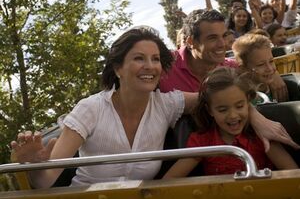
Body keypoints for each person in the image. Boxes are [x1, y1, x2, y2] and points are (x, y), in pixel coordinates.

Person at [11, 26, 199, 188]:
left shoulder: (167, 105)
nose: (150, 66)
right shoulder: (90, 109)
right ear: (118, 69)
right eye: (139, 58)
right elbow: (45, 181)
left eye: (155, 59)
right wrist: (33, 164)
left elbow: (213, 98)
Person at [160, 9, 297, 151]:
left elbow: (255, 67)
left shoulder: (230, 67)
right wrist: (254, 116)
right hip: (183, 148)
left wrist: (274, 76)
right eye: (212, 38)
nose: (222, 44)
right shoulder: (162, 67)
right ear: (190, 42)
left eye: (224, 36)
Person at [163, 67, 298, 178]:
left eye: (239, 106)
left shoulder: (261, 135)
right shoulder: (202, 142)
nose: (233, 115)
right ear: (210, 110)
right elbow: (169, 180)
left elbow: (292, 172)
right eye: (222, 110)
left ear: (248, 104)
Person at [232, 33, 282, 104]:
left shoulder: (272, 85)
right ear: (243, 68)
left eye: (271, 61)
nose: (270, 68)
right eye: (261, 64)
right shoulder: (245, 98)